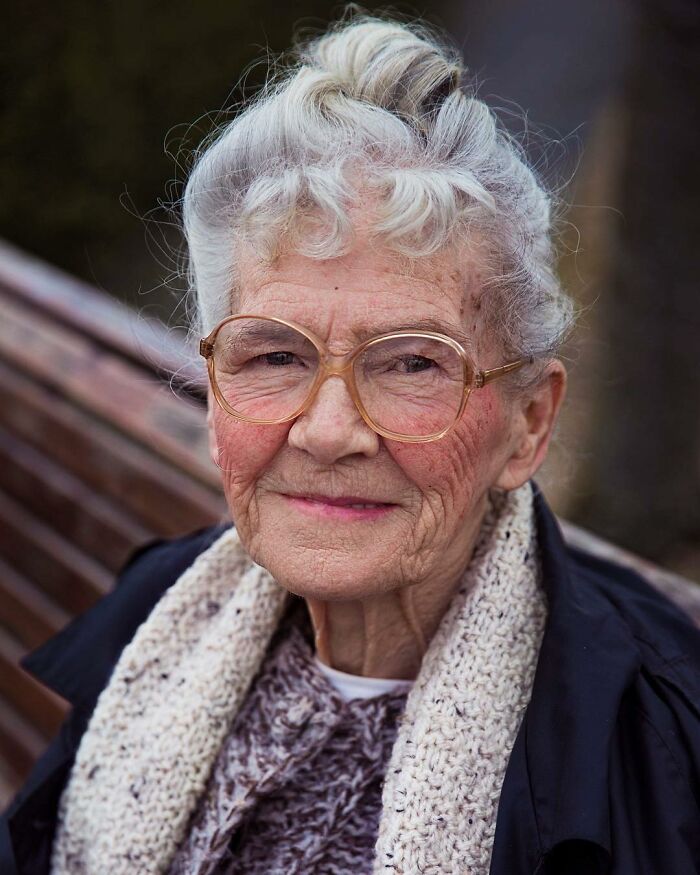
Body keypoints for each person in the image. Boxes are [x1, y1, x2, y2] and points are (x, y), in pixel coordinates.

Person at [2, 13, 700, 875]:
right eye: (274, 354)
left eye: (412, 363)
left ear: (529, 424)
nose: (329, 430)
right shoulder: (152, 619)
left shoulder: (661, 754)